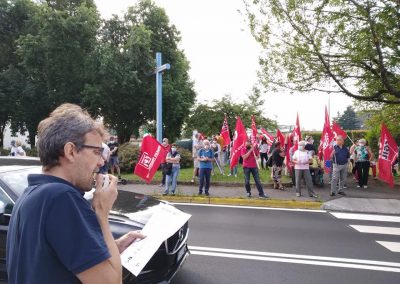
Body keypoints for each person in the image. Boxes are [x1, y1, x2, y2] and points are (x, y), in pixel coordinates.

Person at [6, 103, 145, 284]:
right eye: (96, 152)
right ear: (70, 151)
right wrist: (101, 214)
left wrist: (111, 249)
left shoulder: (31, 194)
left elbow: (49, 262)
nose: (101, 162)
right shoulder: (62, 198)